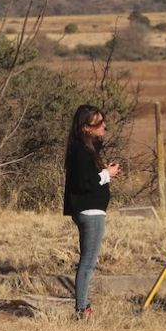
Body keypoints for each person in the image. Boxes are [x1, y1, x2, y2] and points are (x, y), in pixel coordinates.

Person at [63, 104, 121, 319]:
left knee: (88, 261)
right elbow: (85, 183)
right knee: (88, 262)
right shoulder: (81, 150)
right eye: (99, 123)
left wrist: (104, 171)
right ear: (86, 127)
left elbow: (86, 177)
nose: (104, 126)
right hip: (90, 212)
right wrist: (107, 173)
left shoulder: (85, 149)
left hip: (90, 211)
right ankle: (82, 308)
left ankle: (83, 305)